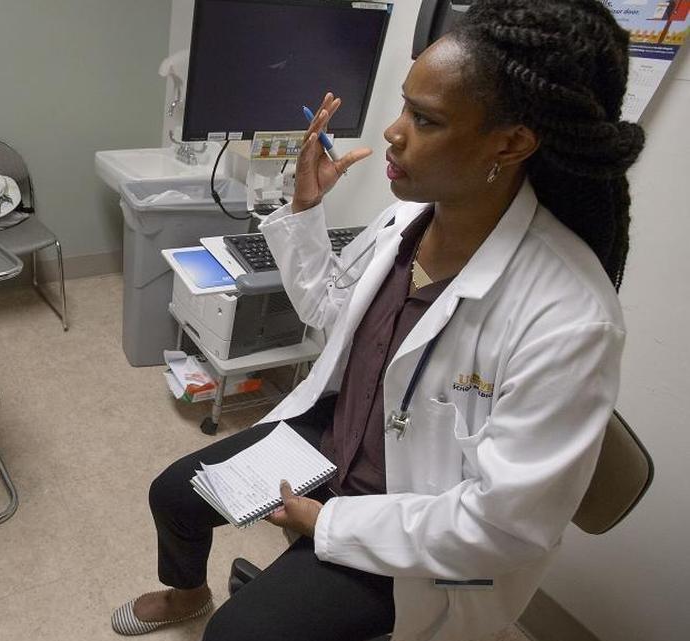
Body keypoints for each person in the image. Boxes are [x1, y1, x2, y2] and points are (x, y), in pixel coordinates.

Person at [111, 1, 644, 639]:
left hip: (417, 526)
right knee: (174, 494)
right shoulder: (408, 223)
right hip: (336, 441)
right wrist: (304, 210)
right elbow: (329, 314)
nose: (393, 132)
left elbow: (500, 528)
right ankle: (188, 593)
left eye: (425, 120)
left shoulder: (568, 315)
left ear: (511, 141)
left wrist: (327, 525)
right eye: (403, 106)